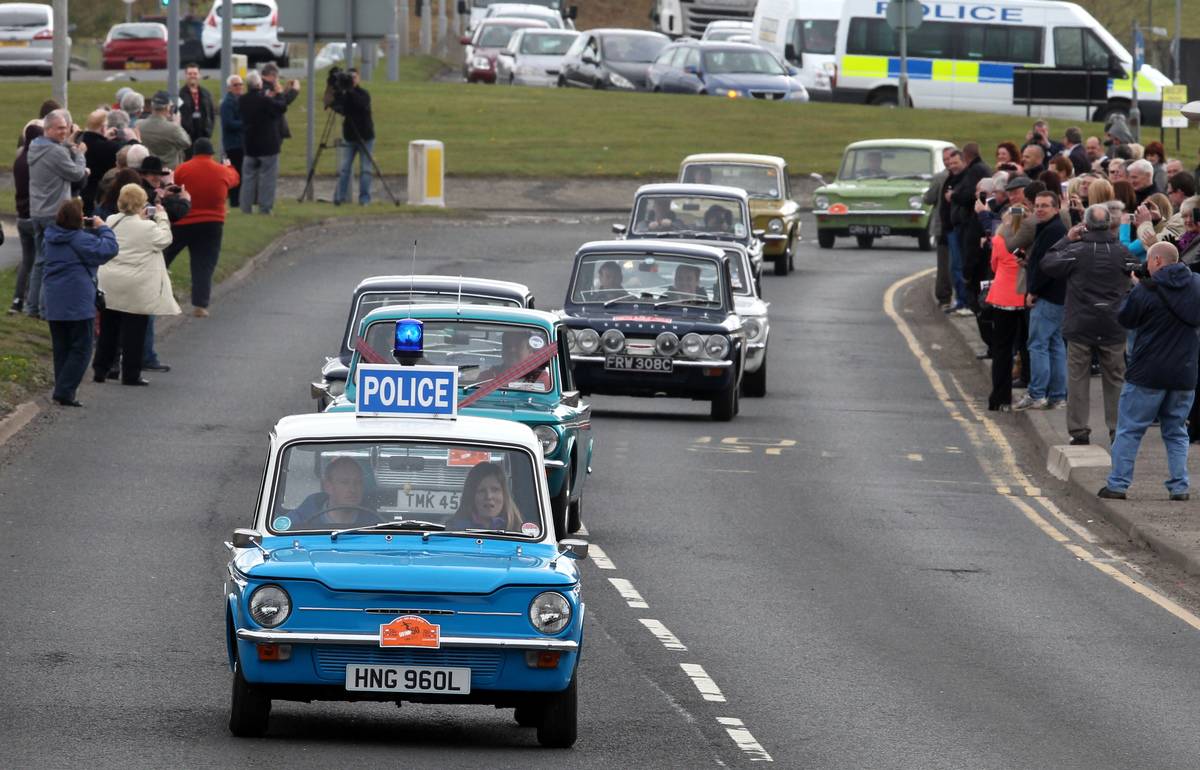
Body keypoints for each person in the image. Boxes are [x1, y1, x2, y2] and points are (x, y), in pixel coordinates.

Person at [1098, 242, 1200, 500]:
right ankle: (1179, 487)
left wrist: (1134, 288)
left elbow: (1125, 319)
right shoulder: (1197, 285)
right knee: (1177, 432)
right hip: (1184, 373)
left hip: (1148, 372)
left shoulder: (1145, 290)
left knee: (1129, 430)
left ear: (1155, 261)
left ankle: (1118, 485)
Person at [1041, 204, 1134, 445]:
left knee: (1078, 378)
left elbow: (1048, 263)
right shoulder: (1122, 252)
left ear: (1085, 225)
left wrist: (1065, 239)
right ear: (1110, 225)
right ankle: (1116, 431)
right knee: (1115, 379)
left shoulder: (1077, 250)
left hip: (1080, 324)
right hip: (1113, 324)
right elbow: (1138, 271)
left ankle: (1079, 432)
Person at [94, 183, 180, 386]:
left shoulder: (111, 220)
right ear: (142, 204)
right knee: (134, 332)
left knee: (108, 329)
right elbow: (165, 239)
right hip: (137, 285)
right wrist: (162, 216)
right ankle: (131, 373)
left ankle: (101, 369)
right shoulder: (148, 228)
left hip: (110, 281)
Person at [41, 198, 119, 407]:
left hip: (54, 301)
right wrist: (103, 229)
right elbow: (109, 249)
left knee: (62, 348)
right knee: (82, 348)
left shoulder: (49, 238)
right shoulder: (81, 240)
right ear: (78, 219)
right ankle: (65, 391)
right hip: (78, 302)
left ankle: (63, 387)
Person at [26, 108, 89, 320]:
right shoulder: (55, 152)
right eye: (60, 128)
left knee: (40, 261)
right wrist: (79, 154)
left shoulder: (35, 146)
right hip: (54, 213)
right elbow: (76, 173)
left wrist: (68, 145)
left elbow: (61, 151)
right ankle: (45, 310)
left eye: (67, 128)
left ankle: (32, 307)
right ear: (48, 129)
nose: (65, 132)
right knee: (52, 263)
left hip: (37, 211)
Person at [167, 138, 239, 318]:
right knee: (203, 264)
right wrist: (228, 165)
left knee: (164, 257)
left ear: (194, 152)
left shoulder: (183, 169)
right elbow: (235, 179)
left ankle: (158, 293)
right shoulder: (221, 170)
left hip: (183, 222)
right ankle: (200, 305)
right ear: (211, 153)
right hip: (212, 224)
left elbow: (172, 183)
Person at [1015, 190, 1069, 410]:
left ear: (1056, 209)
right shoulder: (1050, 228)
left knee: (1037, 345)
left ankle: (1037, 394)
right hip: (1058, 296)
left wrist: (1033, 291)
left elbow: (1048, 268)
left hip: (1047, 296)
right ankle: (1057, 396)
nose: (1039, 209)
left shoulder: (1053, 230)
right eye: (1037, 205)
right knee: (1055, 346)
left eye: (1045, 205)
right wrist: (1028, 264)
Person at [238, 69, 299, 215]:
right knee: (267, 179)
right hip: (268, 145)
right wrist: (279, 93)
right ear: (259, 84)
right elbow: (281, 107)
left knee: (248, 178)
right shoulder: (265, 100)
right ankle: (265, 208)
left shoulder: (242, 100)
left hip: (250, 144)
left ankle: (246, 208)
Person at [290, 457, 379, 529]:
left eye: (358, 482)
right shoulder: (301, 519)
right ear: (328, 487)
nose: (352, 489)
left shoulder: (375, 524)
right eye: (344, 482)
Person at [9, 121, 42, 315]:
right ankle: (34, 304)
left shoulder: (19, 158)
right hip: (34, 215)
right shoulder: (35, 159)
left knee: (27, 260)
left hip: (21, 216)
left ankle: (17, 300)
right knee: (40, 261)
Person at [331, 68, 376, 206]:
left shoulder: (364, 94)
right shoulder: (344, 94)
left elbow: (360, 105)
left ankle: (364, 199)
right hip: (350, 137)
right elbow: (337, 107)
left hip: (366, 137)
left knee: (366, 169)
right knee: (344, 169)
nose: (352, 80)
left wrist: (350, 90)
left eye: (355, 77)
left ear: (359, 78)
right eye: (350, 77)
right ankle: (340, 197)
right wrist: (338, 90)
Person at [444, 462, 525, 532]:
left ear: (504, 495)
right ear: (471, 496)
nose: (488, 496)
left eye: (495, 490)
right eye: (481, 491)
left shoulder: (521, 532)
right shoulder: (453, 530)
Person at [78, 109, 119, 216]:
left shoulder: (77, 143)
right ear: (103, 128)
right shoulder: (110, 148)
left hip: (78, 195)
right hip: (98, 199)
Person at [137, 91, 191, 171]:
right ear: (167, 107)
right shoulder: (173, 128)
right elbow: (187, 143)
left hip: (148, 170)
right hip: (169, 171)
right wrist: (177, 125)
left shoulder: (139, 125)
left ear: (152, 107)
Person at [480, 329, 551, 388]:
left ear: (529, 350)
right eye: (507, 346)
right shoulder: (488, 376)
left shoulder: (541, 379)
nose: (512, 350)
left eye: (518, 346)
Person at [177, 63, 215, 156]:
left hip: (204, 135)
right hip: (187, 138)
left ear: (199, 75)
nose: (192, 76)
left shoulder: (206, 94)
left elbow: (212, 114)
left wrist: (209, 130)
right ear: (186, 75)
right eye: (190, 74)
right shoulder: (180, 95)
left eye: (195, 73)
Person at [220, 73, 245, 207]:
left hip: (242, 144)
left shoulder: (241, 100)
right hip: (233, 145)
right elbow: (229, 123)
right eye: (236, 85)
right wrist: (245, 123)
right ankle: (235, 202)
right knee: (235, 175)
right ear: (229, 87)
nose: (239, 87)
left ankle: (242, 200)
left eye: (241, 84)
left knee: (243, 174)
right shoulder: (227, 104)